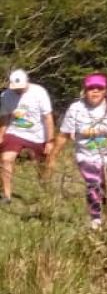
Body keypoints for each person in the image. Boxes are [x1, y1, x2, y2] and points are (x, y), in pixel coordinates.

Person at [53, 73, 107, 229]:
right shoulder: (76, 108)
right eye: (91, 88)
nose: (95, 91)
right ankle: (95, 220)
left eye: (99, 88)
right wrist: (52, 157)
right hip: (86, 155)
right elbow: (63, 135)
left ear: (105, 90)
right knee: (93, 184)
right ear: (85, 90)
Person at [1, 68, 55, 205]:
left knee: (41, 164)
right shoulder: (6, 96)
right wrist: (1, 135)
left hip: (37, 134)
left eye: (21, 87)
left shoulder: (39, 92)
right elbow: (5, 117)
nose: (18, 90)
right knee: (6, 159)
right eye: (16, 88)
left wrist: (50, 141)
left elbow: (48, 117)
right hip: (15, 131)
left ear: (27, 82)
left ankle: (44, 190)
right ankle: (7, 195)